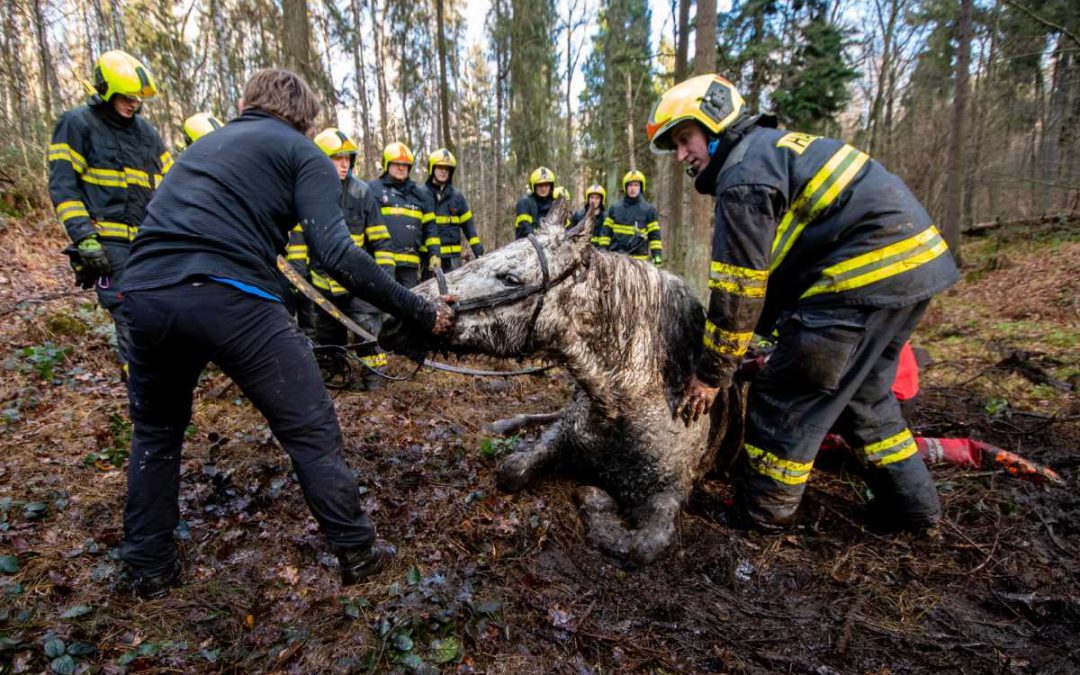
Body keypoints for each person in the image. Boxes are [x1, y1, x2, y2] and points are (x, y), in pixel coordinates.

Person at [117, 68, 455, 598]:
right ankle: (357, 554)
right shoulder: (303, 155)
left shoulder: (200, 149)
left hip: (144, 293)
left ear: (246, 102)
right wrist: (417, 309)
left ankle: (148, 568)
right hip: (230, 296)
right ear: (306, 119)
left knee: (156, 434)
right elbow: (336, 253)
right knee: (311, 428)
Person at [648, 73, 960, 533]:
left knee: (783, 396)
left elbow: (739, 287)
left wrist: (712, 373)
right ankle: (914, 510)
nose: (681, 156)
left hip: (860, 276)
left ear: (714, 123)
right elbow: (785, 262)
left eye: (684, 138)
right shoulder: (772, 152)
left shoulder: (743, 175)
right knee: (865, 399)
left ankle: (760, 517)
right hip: (911, 268)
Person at [48, 50, 172, 373]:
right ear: (105, 90)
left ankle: (163, 389)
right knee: (129, 316)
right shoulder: (77, 124)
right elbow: (63, 187)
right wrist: (84, 237)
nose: (133, 104)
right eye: (125, 97)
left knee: (161, 315)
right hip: (107, 245)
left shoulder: (147, 134)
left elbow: (173, 183)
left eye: (137, 98)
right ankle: (143, 401)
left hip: (150, 243)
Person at [306, 127, 394, 387]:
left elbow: (380, 238)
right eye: (337, 158)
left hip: (358, 280)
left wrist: (384, 279)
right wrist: (300, 278)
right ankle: (334, 378)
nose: (344, 165)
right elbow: (298, 241)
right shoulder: (307, 192)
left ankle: (374, 380)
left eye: (348, 159)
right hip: (323, 282)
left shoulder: (362, 192)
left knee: (368, 329)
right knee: (328, 337)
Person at [368, 142, 439, 288]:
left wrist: (434, 254)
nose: (401, 168)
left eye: (405, 165)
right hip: (381, 263)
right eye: (396, 164)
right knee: (384, 303)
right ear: (387, 164)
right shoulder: (373, 189)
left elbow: (430, 228)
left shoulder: (420, 195)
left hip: (410, 266)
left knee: (410, 303)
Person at [424, 148, 483, 271]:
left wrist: (478, 250)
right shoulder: (421, 194)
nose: (444, 171)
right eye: (440, 167)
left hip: (453, 260)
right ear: (432, 168)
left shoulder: (457, 196)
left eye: (447, 169)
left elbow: (469, 228)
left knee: (454, 290)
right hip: (428, 258)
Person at [596, 170, 663, 265]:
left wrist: (657, 256)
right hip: (616, 260)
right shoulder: (615, 208)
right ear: (626, 187)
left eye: (636, 185)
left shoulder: (649, 210)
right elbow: (605, 233)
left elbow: (655, 236)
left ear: (641, 187)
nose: (633, 188)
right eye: (630, 185)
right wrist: (602, 250)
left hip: (639, 262)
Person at [514, 166, 556, 239]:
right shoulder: (525, 203)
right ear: (534, 186)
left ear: (551, 186)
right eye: (540, 185)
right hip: (527, 245)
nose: (543, 188)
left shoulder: (555, 204)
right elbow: (525, 228)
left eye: (546, 185)